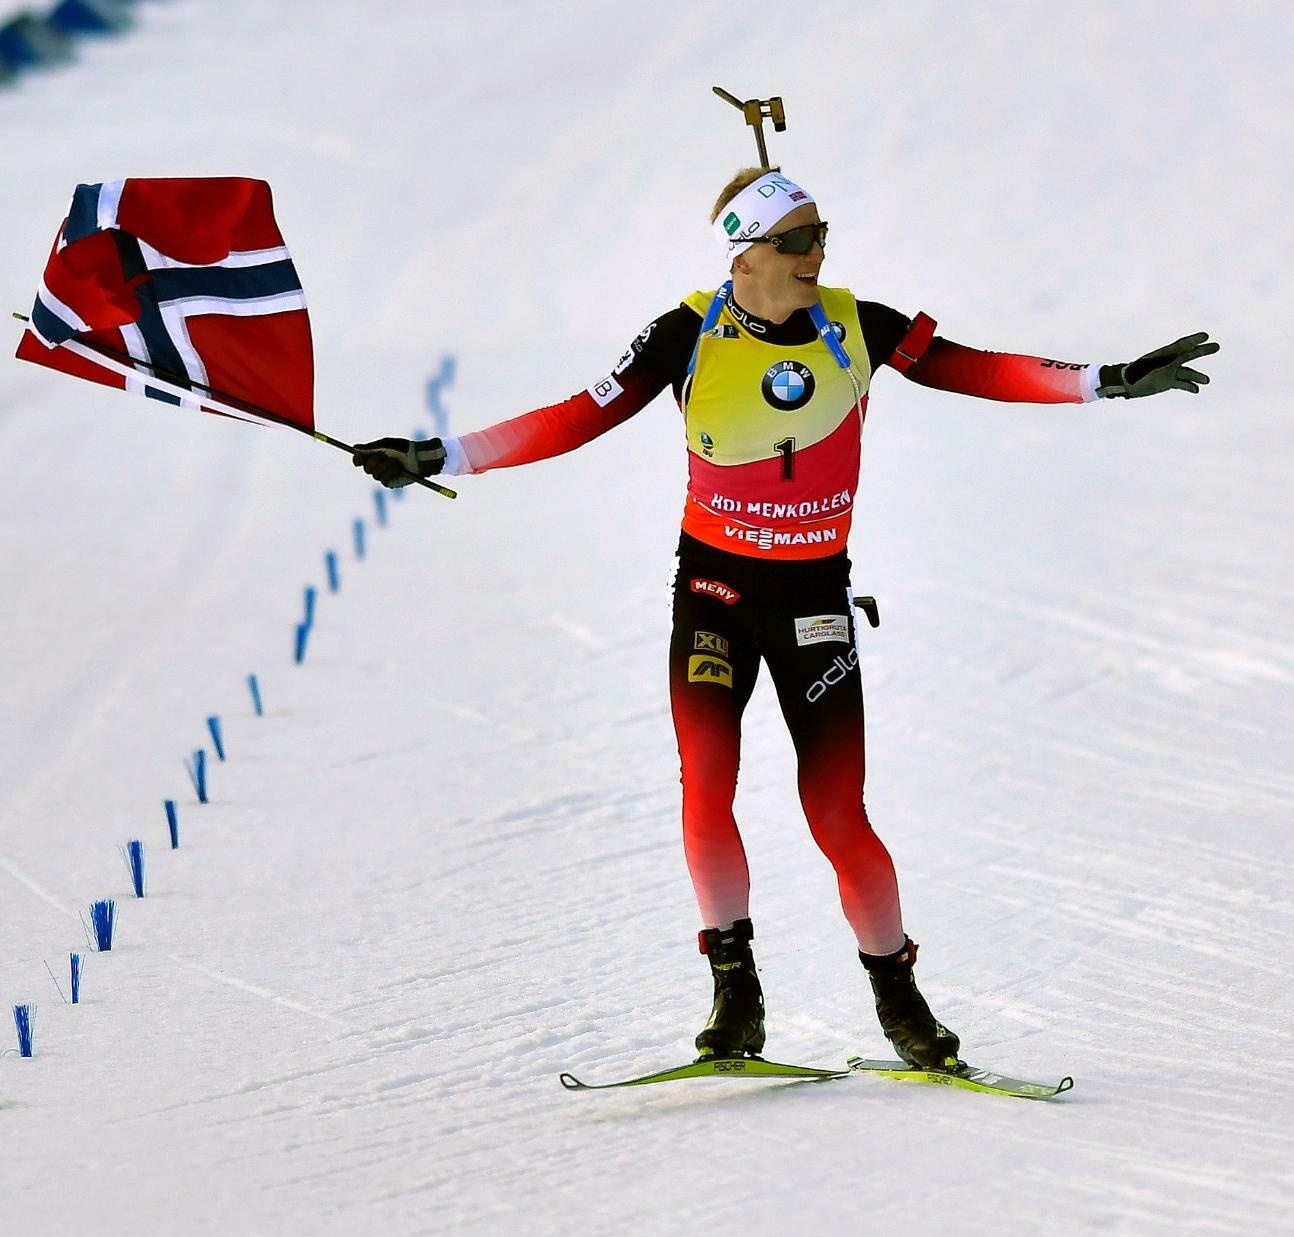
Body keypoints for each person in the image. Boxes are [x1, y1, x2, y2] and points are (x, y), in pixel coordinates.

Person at [352, 167, 1216, 1070]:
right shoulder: (686, 332)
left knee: (839, 814)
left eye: (822, 233)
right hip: (716, 598)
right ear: (748, 254)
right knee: (706, 792)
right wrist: (442, 453)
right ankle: (736, 997)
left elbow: (976, 369)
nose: (819, 253)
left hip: (813, 601)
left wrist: (1105, 380)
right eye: (799, 240)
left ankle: (900, 999)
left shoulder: (860, 326)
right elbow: (578, 417)